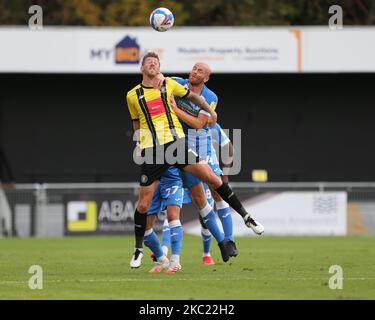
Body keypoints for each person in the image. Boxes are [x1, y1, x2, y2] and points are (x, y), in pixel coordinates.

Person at [126, 52, 264, 267]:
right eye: (194, 68)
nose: (194, 71)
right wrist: (140, 143)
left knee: (212, 185)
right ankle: (143, 251)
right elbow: (139, 116)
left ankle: (240, 225)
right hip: (154, 150)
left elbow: (199, 116)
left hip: (183, 144)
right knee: (146, 205)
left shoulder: (197, 92)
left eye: (200, 70)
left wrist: (208, 113)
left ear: (206, 78)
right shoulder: (144, 91)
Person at [130, 166, 184, 274]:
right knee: (145, 226)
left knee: (173, 216)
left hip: (172, 180)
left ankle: (175, 261)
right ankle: (161, 259)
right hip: (153, 182)